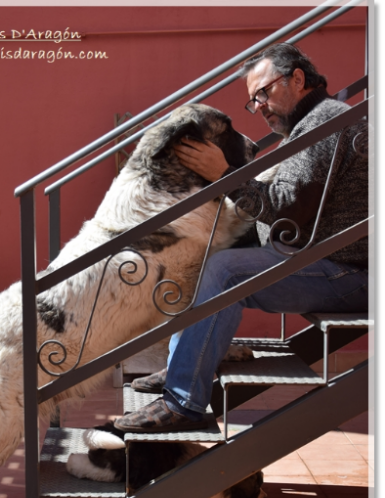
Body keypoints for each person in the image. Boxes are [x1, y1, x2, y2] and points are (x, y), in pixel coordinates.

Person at [114, 43, 369, 433]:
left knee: (225, 270)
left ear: (297, 79)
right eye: (253, 101)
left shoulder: (324, 122)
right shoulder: (312, 123)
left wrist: (225, 173)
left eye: (263, 93)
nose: (260, 106)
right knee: (204, 251)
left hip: (350, 272)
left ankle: (184, 402)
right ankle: (184, 361)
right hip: (318, 255)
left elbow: (286, 207)